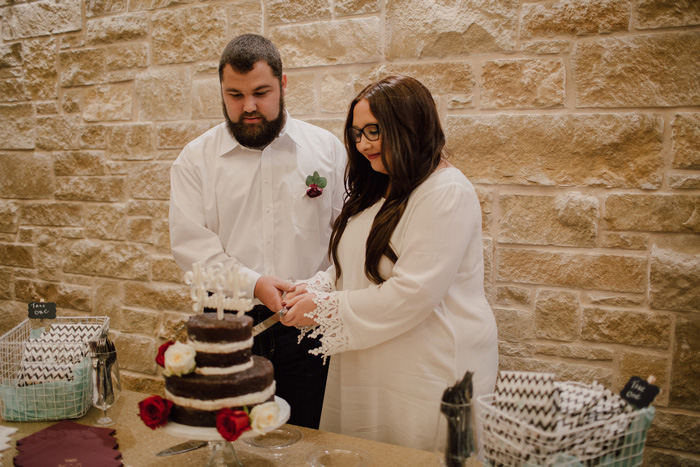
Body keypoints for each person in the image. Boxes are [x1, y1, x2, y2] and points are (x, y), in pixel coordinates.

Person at [280, 75, 499, 450]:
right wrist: (314, 287)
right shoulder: (384, 185)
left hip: (429, 364)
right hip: (374, 356)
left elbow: (414, 290)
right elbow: (358, 260)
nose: (362, 144)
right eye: (356, 133)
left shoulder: (447, 192)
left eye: (373, 131)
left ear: (408, 125)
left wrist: (325, 307)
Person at [168, 34, 346, 429]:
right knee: (235, 444)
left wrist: (317, 287)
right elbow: (192, 251)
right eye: (234, 95)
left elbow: (348, 239)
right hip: (230, 332)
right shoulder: (195, 161)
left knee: (307, 439)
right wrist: (255, 284)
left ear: (283, 85)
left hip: (310, 328)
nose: (248, 106)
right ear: (221, 91)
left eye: (261, 92)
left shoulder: (327, 150)